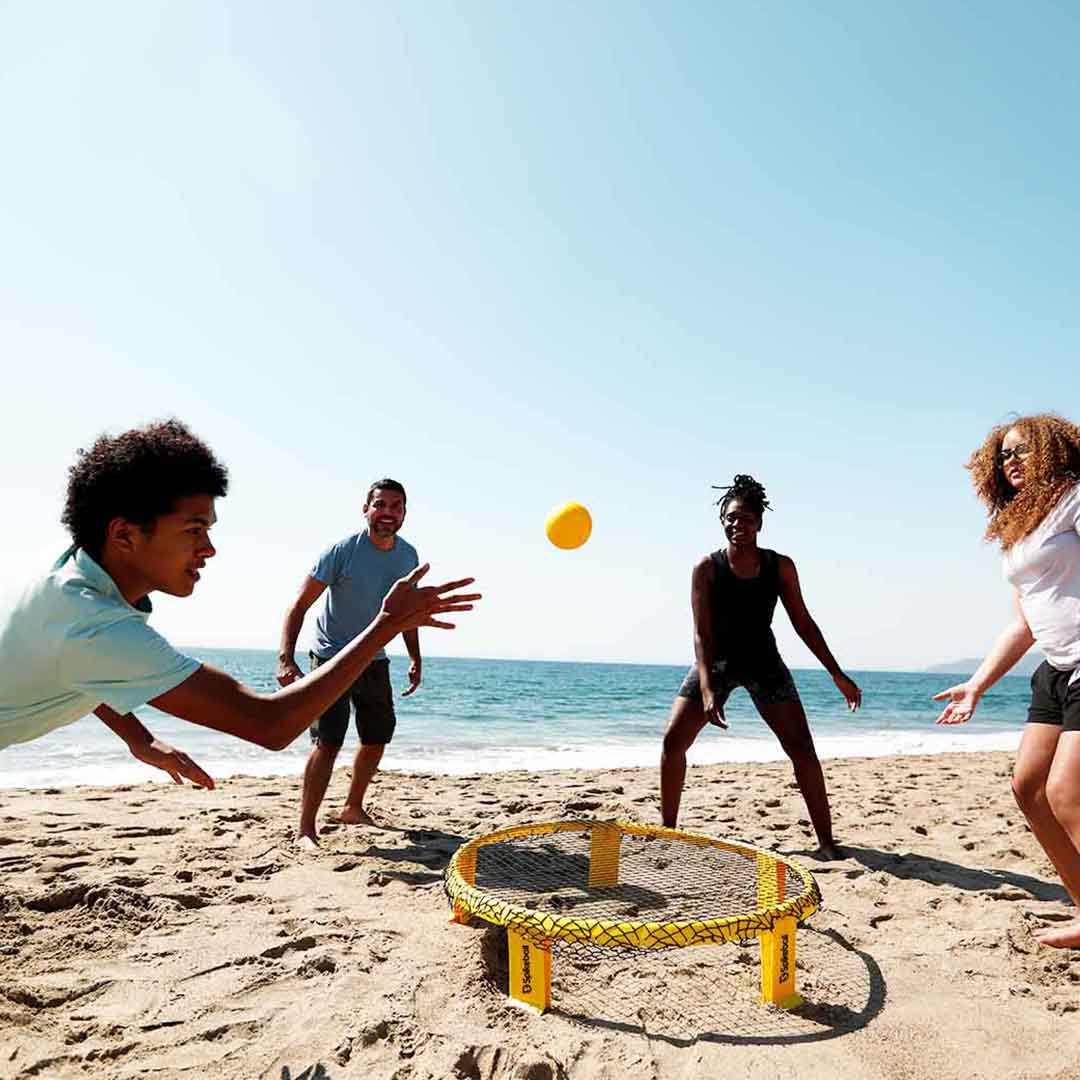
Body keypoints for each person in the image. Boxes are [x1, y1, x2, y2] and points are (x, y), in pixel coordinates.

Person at [0, 422, 479, 789]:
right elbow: (270, 726)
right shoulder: (94, 624)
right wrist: (384, 626)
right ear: (123, 533)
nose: (208, 549)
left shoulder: (72, 571)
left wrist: (138, 738)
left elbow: (86, 667)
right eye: (193, 530)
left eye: (209, 530)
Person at [933, 413, 1080, 949]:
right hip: (1056, 669)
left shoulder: (1075, 500)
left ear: (1052, 450)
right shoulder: (1019, 529)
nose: (1011, 461)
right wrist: (976, 685)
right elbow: (1024, 621)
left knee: (1066, 791)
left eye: (1022, 451)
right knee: (1028, 788)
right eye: (1004, 455)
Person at [660, 475, 862, 859]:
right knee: (673, 742)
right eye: (732, 518)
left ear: (759, 523)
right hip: (717, 663)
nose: (739, 525)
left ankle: (826, 843)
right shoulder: (706, 568)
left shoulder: (779, 567)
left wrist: (837, 674)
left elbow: (803, 623)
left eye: (747, 519)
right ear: (723, 520)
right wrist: (706, 688)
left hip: (763, 662)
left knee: (801, 748)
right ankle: (669, 832)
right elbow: (702, 634)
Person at [276, 479, 424, 844]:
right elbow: (299, 604)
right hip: (331, 657)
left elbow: (406, 614)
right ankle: (305, 829)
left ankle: (352, 807)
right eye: (380, 505)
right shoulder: (342, 551)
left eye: (396, 506)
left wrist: (415, 658)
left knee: (376, 738)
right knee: (328, 742)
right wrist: (285, 658)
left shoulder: (408, 556)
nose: (387, 512)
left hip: (374, 659)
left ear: (404, 513)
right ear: (366, 509)